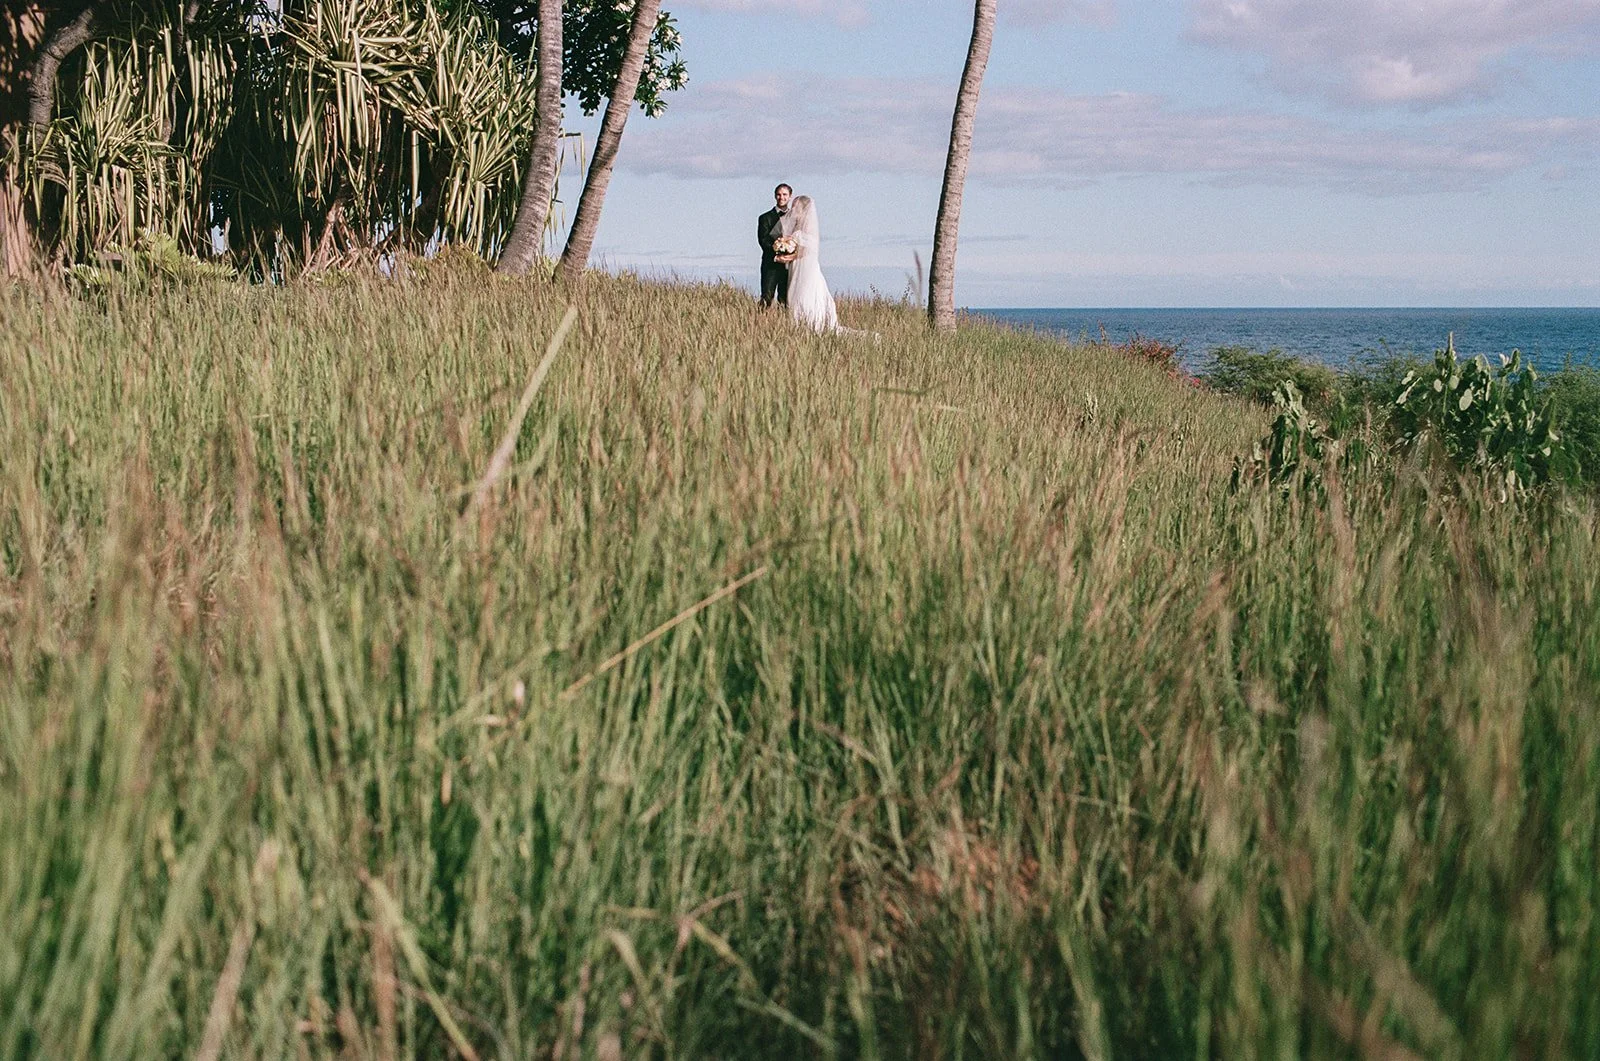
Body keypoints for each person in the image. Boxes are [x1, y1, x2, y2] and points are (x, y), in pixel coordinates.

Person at [778, 195, 844, 334]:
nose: (793, 209)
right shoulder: (797, 229)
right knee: (794, 292)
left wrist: (790, 256)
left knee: (804, 292)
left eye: (796, 207)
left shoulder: (807, 230)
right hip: (796, 267)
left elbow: (808, 250)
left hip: (806, 267)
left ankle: (808, 323)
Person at [757, 184, 792, 308]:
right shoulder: (764, 218)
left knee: (785, 300)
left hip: (789, 266)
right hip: (770, 265)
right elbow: (763, 240)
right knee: (766, 297)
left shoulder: (795, 218)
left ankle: (782, 325)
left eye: (784, 194)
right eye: (778, 194)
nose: (781, 197)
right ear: (775, 196)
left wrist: (790, 255)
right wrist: (777, 253)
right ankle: (760, 323)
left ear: (790, 196)